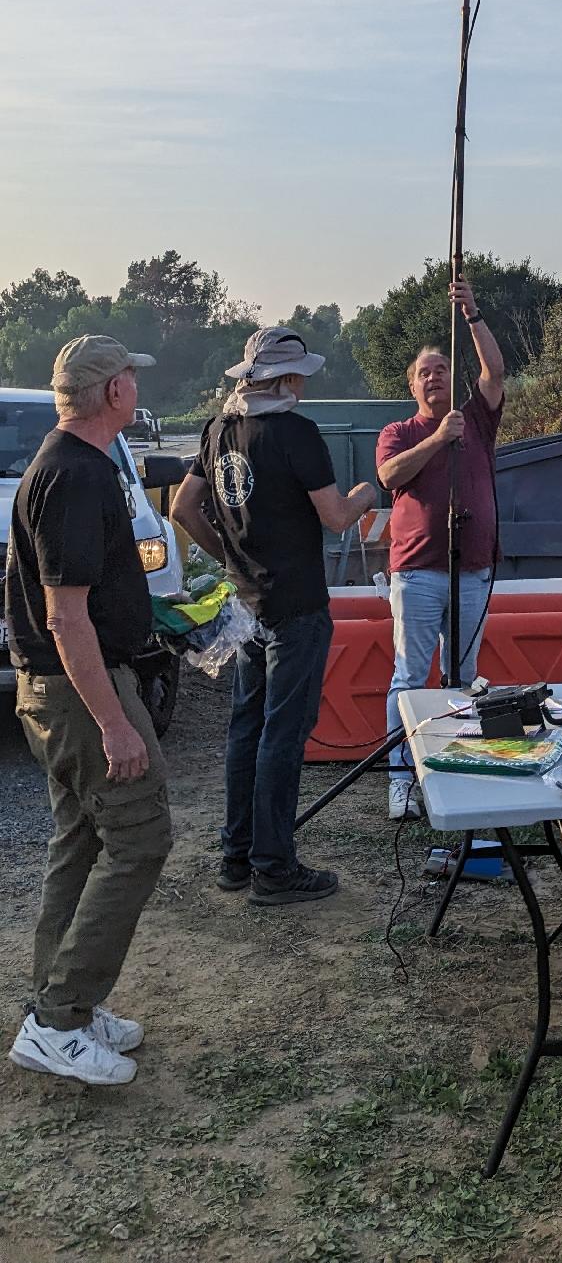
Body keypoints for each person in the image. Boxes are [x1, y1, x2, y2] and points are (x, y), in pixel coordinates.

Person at [6, 336, 172, 1087]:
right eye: (131, 376)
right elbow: (66, 617)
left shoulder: (67, 463)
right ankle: (57, 1018)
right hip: (80, 691)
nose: (136, 387)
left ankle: (60, 1004)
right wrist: (114, 722)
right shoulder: (76, 474)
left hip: (63, 687)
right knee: (140, 838)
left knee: (79, 841)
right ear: (113, 392)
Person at [170, 327, 377, 906]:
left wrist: (229, 558)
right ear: (286, 380)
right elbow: (336, 516)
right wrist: (367, 492)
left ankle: (236, 856)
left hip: (246, 602)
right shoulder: (296, 433)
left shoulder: (218, 428)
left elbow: (185, 507)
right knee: (282, 736)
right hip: (296, 604)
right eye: (301, 377)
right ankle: (275, 869)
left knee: (247, 729)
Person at [376, 279, 504, 819]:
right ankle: (401, 782)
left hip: (472, 571)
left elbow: (495, 372)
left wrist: (472, 314)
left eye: (442, 369)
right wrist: (436, 439)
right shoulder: (400, 431)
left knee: (462, 677)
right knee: (409, 677)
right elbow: (389, 476)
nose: (434, 378)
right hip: (418, 573)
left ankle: (455, 772)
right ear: (413, 385)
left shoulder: (476, 418)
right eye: (424, 373)